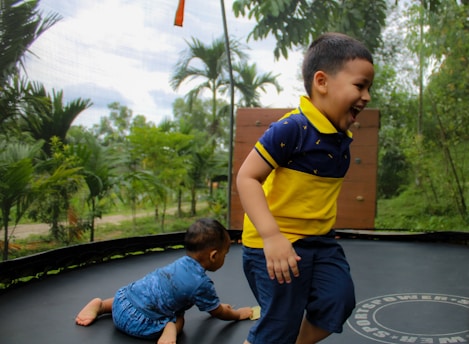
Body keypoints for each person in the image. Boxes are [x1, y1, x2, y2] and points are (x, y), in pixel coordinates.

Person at [236, 32, 375, 344]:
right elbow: (247, 178)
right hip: (274, 244)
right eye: (359, 85)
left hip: (320, 243)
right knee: (278, 326)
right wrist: (272, 237)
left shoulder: (340, 139)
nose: (367, 96)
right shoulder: (292, 128)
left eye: (369, 87)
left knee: (338, 302)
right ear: (322, 82)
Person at [75, 218, 253, 344]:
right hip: (138, 323)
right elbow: (218, 312)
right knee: (179, 318)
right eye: (225, 254)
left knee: (132, 295)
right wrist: (239, 314)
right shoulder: (201, 283)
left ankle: (100, 305)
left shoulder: (179, 263)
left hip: (119, 307)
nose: (225, 257)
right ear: (214, 255)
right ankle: (169, 329)